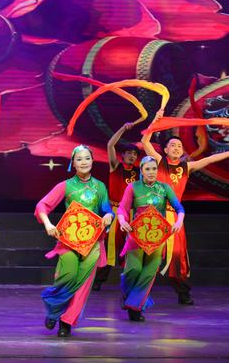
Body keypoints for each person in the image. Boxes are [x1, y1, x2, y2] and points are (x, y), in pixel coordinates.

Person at [142, 110, 229, 305]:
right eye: (172, 145)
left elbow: (210, 159)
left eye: (179, 146)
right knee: (149, 255)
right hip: (155, 216)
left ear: (182, 151)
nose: (176, 148)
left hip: (174, 218)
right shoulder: (159, 162)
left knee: (177, 256)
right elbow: (146, 142)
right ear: (165, 150)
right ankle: (139, 292)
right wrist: (155, 121)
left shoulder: (186, 168)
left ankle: (183, 292)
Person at [35, 145, 114, 337]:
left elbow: (107, 209)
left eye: (87, 158)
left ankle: (66, 322)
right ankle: (54, 310)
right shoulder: (66, 185)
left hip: (92, 242)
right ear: (73, 163)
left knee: (83, 284)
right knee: (68, 275)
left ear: (92, 161)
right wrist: (48, 224)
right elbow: (42, 205)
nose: (84, 162)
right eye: (79, 159)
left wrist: (108, 216)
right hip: (69, 241)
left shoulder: (100, 186)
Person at [117, 156, 185, 322]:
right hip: (136, 236)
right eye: (147, 169)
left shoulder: (165, 188)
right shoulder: (133, 187)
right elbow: (122, 209)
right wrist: (122, 221)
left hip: (157, 238)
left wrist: (178, 221)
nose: (151, 172)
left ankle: (135, 308)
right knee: (134, 269)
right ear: (141, 170)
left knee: (149, 272)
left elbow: (179, 208)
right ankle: (127, 295)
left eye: (154, 169)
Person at [93, 122, 139, 290]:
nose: (132, 156)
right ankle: (98, 281)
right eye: (129, 153)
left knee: (131, 248)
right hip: (114, 212)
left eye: (135, 154)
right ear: (123, 155)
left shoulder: (140, 173)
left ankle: (130, 282)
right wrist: (122, 128)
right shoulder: (115, 167)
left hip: (132, 214)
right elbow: (110, 145)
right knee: (109, 247)